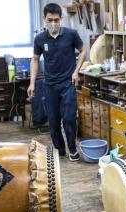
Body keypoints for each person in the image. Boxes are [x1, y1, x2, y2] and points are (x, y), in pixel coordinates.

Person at [28, 3, 86, 161]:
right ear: (44, 19)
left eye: (56, 19)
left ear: (61, 19)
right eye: (49, 20)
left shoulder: (71, 34)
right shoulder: (40, 39)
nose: (53, 23)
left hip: (68, 84)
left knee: (69, 118)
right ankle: (60, 150)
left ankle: (73, 149)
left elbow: (83, 51)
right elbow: (34, 59)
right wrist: (32, 83)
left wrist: (76, 71)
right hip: (49, 85)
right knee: (53, 121)